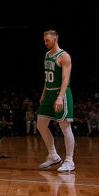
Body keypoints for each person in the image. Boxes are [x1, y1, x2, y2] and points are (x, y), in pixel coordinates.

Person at [37, 30, 75, 173]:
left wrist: (60, 97)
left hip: (61, 94)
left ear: (55, 39)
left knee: (65, 127)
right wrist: (43, 94)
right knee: (41, 124)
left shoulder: (64, 56)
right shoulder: (47, 55)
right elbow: (47, 77)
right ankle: (53, 155)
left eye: (47, 40)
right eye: (44, 40)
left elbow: (66, 79)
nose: (45, 42)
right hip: (49, 93)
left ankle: (69, 161)